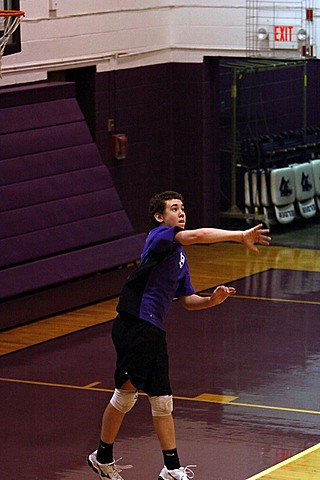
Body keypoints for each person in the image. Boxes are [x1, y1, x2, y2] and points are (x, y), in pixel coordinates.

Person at [87, 191, 271, 480]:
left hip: (153, 329)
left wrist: (212, 300)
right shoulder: (161, 237)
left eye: (183, 208)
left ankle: (171, 468)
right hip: (135, 323)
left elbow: (187, 299)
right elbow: (197, 236)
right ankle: (102, 457)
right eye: (175, 208)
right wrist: (239, 235)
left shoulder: (180, 258)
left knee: (162, 400)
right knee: (126, 395)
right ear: (161, 217)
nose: (181, 212)